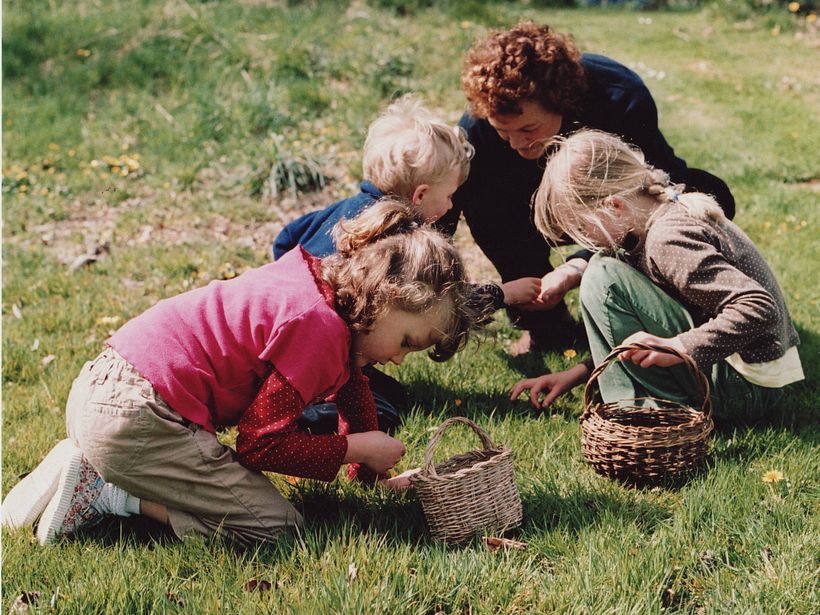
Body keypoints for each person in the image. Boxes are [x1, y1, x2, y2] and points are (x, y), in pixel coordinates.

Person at [2, 199, 478, 547]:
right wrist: (357, 448)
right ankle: (107, 491)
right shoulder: (315, 331)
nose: (399, 360)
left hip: (106, 388)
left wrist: (372, 474)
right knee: (275, 528)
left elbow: (353, 393)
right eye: (407, 342)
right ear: (384, 297)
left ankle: (104, 463)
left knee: (254, 507)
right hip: (137, 419)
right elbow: (259, 444)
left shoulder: (321, 292)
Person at [438, 21, 737, 354]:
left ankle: (672, 306)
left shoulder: (618, 95)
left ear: (559, 101)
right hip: (521, 208)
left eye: (529, 129)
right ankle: (546, 326)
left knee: (706, 193)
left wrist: (576, 266)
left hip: (609, 205)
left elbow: (659, 186)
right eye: (504, 133)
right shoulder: (478, 129)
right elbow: (444, 212)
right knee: (484, 204)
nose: (516, 144)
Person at [273, 95, 541, 432]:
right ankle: (302, 417)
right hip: (319, 353)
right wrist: (502, 294)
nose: (449, 206)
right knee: (383, 411)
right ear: (420, 195)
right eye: (449, 196)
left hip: (288, 335)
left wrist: (288, 287)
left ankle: (302, 395)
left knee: (394, 393)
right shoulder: (398, 241)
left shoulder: (339, 212)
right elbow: (438, 304)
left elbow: (285, 238)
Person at [510, 130, 803, 421]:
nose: (585, 241)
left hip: (746, 389)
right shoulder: (654, 218)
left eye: (584, 229)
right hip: (750, 380)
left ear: (614, 206)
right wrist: (578, 373)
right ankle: (633, 398)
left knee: (603, 274)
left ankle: (637, 415)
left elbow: (759, 306)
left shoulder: (667, 239)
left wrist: (679, 347)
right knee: (603, 264)